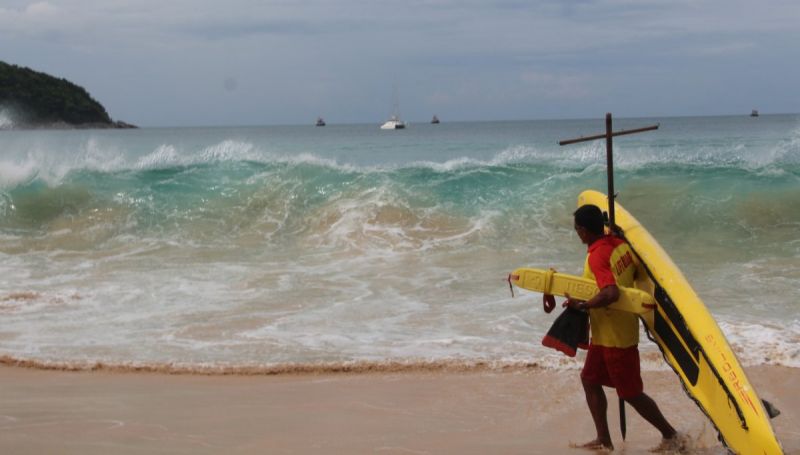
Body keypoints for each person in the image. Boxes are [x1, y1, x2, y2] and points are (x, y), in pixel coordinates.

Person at [546, 204, 680, 451]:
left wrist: (585, 306)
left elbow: (610, 292)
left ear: (585, 231)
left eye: (577, 229)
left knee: (631, 393)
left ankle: (671, 435)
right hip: (608, 332)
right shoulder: (619, 245)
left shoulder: (597, 256)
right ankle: (604, 440)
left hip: (616, 337)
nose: (577, 233)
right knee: (589, 380)